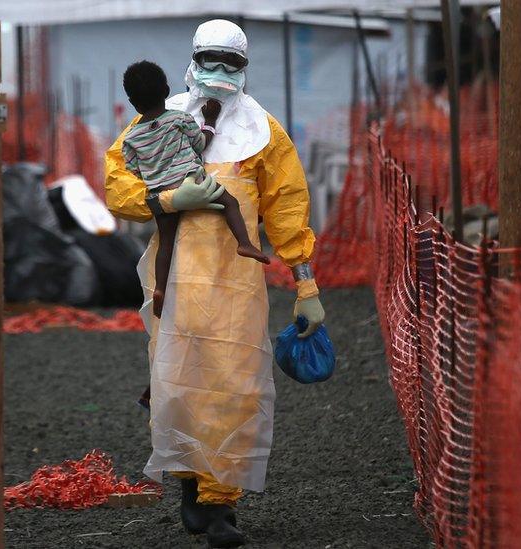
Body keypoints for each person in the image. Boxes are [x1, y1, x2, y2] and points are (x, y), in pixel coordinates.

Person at [105, 19, 325, 548]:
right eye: (212, 60)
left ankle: (219, 503)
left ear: (245, 68)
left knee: (234, 386)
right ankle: (188, 478)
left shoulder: (264, 133)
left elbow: (288, 209)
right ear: (193, 58)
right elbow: (118, 186)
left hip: (236, 286)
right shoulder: (156, 121)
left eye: (232, 63)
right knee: (178, 383)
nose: (220, 73)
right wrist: (163, 202)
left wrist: (306, 284)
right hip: (174, 281)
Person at [120, 60, 270, 319]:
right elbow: (201, 143)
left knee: (166, 242)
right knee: (229, 203)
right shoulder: (179, 119)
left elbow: (132, 168)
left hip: (161, 193)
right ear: (167, 90)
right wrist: (210, 119)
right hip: (192, 181)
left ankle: (160, 289)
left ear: (133, 102)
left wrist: (156, 173)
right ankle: (245, 243)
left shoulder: (131, 137)